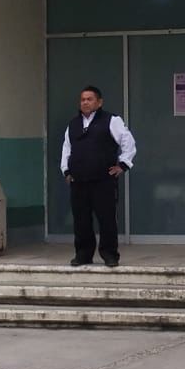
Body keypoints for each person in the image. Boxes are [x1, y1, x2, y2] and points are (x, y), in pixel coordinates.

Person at [60, 85, 136, 267]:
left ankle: (110, 255)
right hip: (79, 181)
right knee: (81, 220)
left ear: (99, 102)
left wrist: (123, 165)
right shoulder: (73, 124)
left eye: (89, 99)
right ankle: (83, 255)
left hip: (103, 180)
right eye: (82, 99)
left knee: (107, 219)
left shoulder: (111, 120)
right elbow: (66, 149)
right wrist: (66, 171)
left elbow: (128, 142)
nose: (85, 102)